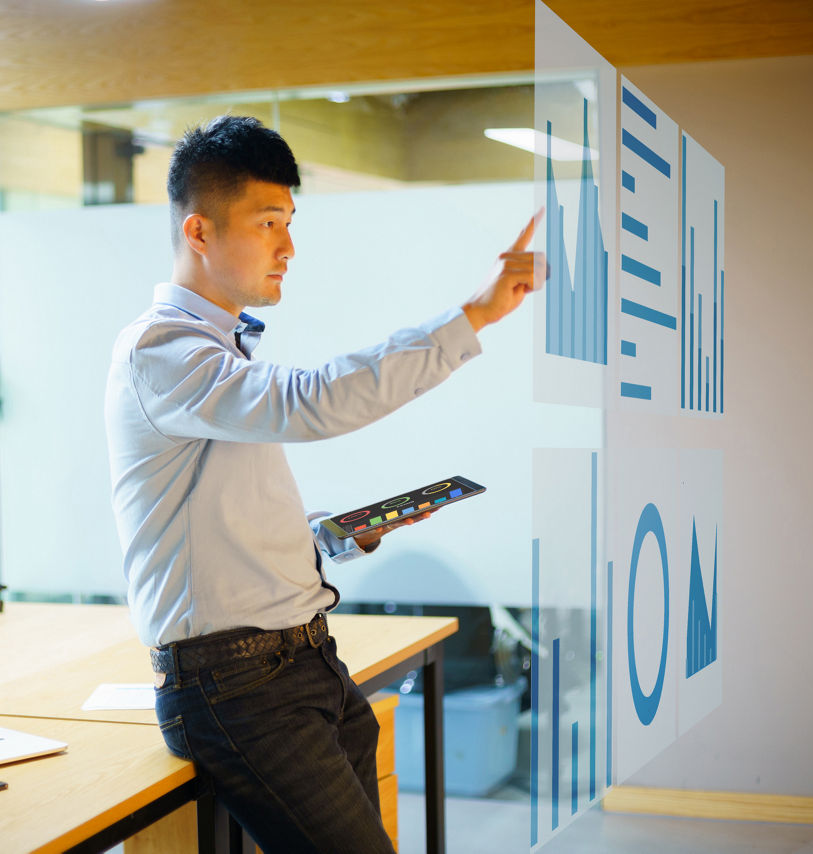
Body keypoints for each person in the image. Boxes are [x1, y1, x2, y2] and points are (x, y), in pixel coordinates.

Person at [104, 115, 541, 853]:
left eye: (289, 222)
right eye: (267, 223)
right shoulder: (164, 350)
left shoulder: (221, 354)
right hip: (237, 687)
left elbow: (227, 531)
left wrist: (330, 537)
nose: (288, 247)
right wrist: (475, 315)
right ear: (199, 232)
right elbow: (310, 402)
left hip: (304, 661)